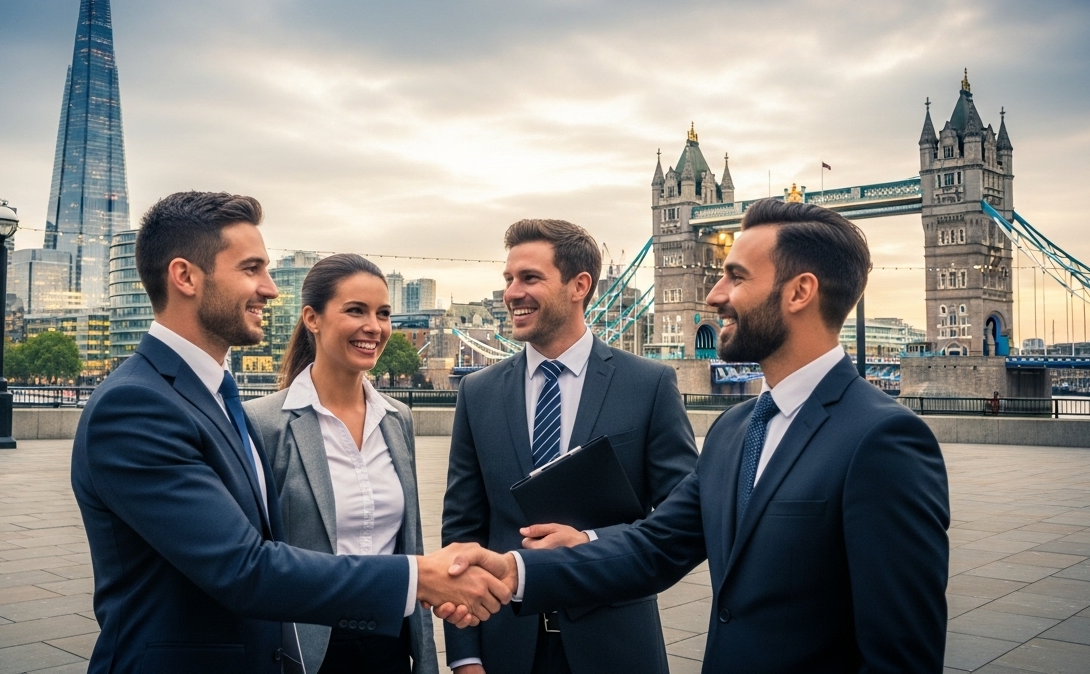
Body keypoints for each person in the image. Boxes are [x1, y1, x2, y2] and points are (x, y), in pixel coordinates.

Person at [462, 199, 951, 673]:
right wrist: (516, 572)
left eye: (736, 277)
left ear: (800, 291)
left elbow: (901, 656)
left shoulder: (884, 440)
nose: (714, 294)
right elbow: (657, 545)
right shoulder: (735, 430)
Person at [71, 192, 511, 674]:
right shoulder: (137, 405)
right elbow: (244, 568)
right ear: (185, 277)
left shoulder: (213, 393)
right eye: (251, 268)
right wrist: (419, 577)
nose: (271, 288)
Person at [441, 219, 698, 674]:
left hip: (615, 644)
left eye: (530, 278)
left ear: (580, 285)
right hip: (505, 648)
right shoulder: (477, 392)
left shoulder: (649, 385)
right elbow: (462, 529)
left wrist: (589, 541)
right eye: (508, 279)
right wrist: (464, 654)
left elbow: (685, 521)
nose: (512, 293)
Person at [247, 254, 437, 674]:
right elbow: (256, 560)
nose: (374, 326)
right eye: (356, 310)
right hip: (307, 650)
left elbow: (411, 543)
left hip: (390, 644)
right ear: (312, 318)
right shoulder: (263, 423)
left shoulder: (397, 418)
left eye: (383, 313)